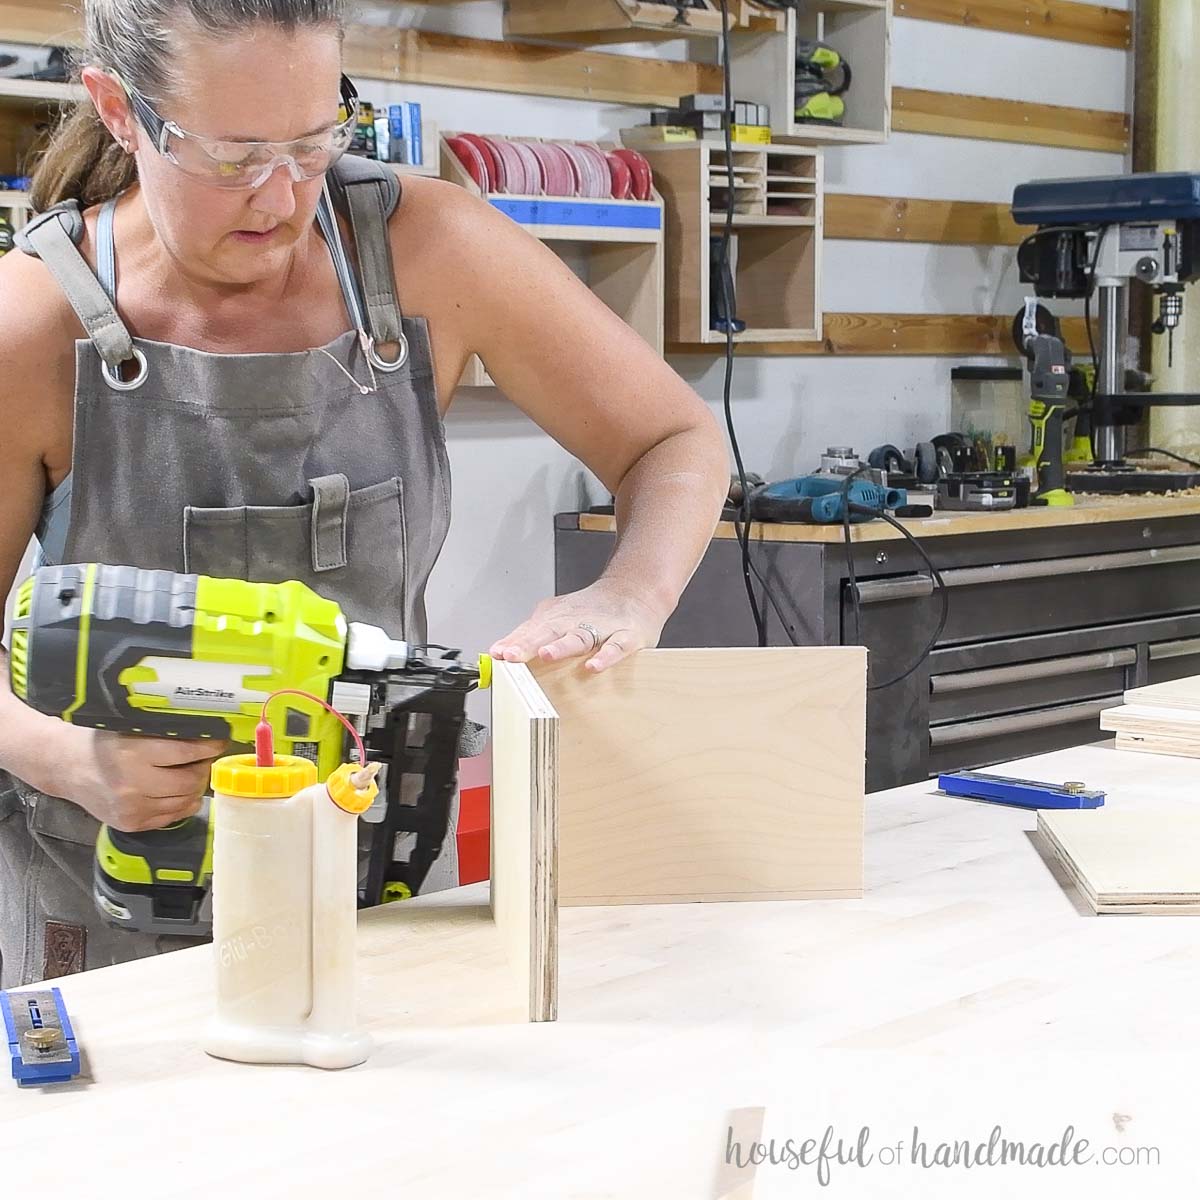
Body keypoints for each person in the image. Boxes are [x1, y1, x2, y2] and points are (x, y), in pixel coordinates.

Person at [0, 0, 729, 988]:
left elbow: (674, 437)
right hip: (106, 927)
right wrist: (68, 757)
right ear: (120, 113)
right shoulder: (33, 321)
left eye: (312, 140)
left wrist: (626, 594)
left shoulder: (432, 249)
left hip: (372, 895)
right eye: (233, 154)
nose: (281, 195)